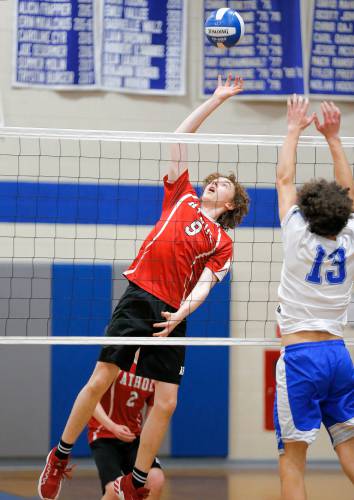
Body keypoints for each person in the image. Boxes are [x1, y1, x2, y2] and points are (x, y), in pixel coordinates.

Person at [38, 74, 249, 500]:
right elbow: (180, 133)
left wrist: (181, 316)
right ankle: (60, 456)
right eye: (213, 179)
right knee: (102, 377)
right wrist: (216, 99)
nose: (214, 182)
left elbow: (206, 285)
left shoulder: (222, 242)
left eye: (223, 184)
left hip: (172, 314)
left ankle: (135, 484)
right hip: (140, 296)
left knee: (166, 404)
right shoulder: (182, 196)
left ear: (229, 205)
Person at [274, 95, 354, 500]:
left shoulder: (296, 236)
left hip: (302, 359)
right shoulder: (351, 237)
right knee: (350, 451)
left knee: (292, 460)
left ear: (306, 213)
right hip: (339, 356)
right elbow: (349, 192)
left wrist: (292, 130)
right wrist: (334, 139)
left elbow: (284, 180)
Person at [88, 357, 164, 500]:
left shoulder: (155, 369)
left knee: (155, 479)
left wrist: (147, 434)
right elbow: (91, 400)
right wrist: (113, 427)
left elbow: (154, 405)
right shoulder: (118, 359)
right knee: (114, 491)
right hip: (105, 435)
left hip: (133, 438)